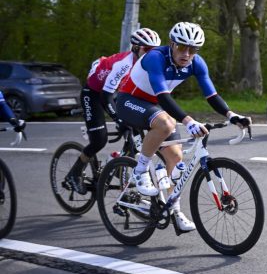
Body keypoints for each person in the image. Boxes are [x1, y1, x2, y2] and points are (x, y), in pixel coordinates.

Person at [116, 22, 251, 232]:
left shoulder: (197, 63)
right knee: (166, 122)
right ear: (171, 44)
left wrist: (232, 116)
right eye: (181, 47)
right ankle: (140, 171)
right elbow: (163, 96)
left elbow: (212, 96)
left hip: (154, 106)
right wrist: (189, 121)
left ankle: (174, 211)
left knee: (176, 158)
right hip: (129, 100)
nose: (187, 54)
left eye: (193, 49)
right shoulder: (155, 58)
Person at [65, 28, 162, 195]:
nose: (151, 53)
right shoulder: (124, 64)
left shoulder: (148, 64)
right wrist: (118, 119)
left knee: (137, 129)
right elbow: (106, 96)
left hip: (119, 94)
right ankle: (73, 174)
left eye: (155, 50)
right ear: (135, 48)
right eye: (147, 49)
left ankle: (119, 163)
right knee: (99, 140)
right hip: (95, 93)